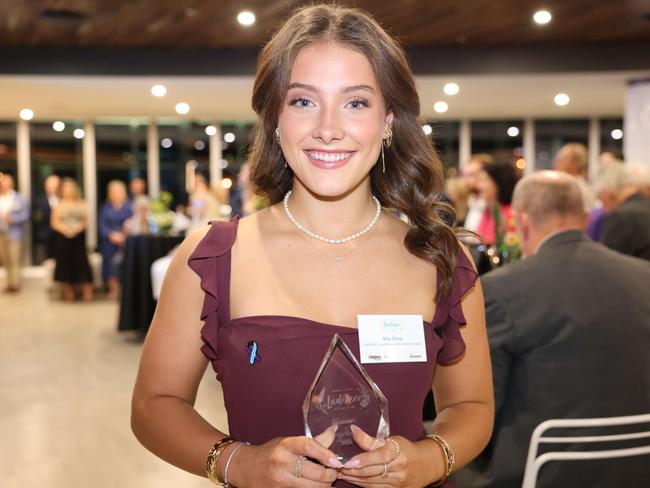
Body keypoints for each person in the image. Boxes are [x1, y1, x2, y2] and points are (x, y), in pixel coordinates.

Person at [131, 5, 493, 488]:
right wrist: (239, 462)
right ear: (275, 120)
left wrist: (429, 460)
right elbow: (154, 406)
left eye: (356, 103)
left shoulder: (441, 259)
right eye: (303, 101)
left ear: (388, 120)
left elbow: (471, 406)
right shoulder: (215, 257)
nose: (328, 128)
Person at [455, 171, 650, 488]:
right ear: (586, 218)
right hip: (638, 463)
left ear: (523, 222)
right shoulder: (644, 276)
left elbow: (481, 406)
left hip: (540, 470)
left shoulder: (503, 290)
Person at [594, 163, 650, 260]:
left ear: (607, 193)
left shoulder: (619, 218)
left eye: (600, 198)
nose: (603, 208)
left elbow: (607, 263)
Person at [50, 178, 93, 302]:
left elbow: (85, 221)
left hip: (78, 239)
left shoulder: (81, 203)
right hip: (63, 239)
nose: (68, 191)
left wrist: (76, 230)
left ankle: (87, 292)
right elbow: (54, 222)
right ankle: (69, 292)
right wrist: (66, 230)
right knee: (65, 264)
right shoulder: (58, 204)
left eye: (70, 188)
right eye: (65, 189)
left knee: (82, 264)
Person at [99, 180, 132, 299]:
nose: (117, 193)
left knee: (124, 265)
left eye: (119, 190)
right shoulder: (105, 207)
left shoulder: (130, 206)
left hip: (126, 242)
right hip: (109, 242)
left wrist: (124, 235)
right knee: (109, 266)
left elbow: (134, 223)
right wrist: (111, 235)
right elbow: (102, 225)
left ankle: (125, 291)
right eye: (114, 191)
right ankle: (113, 291)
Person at [0, 173, 29, 292]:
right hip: (1, 234)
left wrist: (13, 219)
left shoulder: (19, 198)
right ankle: (8, 284)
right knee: (5, 260)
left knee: (15, 259)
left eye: (8, 181)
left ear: (12, 183)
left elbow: (25, 215)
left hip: (15, 234)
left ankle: (15, 284)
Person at [476, 163, 518, 245]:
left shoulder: (511, 215)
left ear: (498, 183)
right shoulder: (488, 211)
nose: (478, 185)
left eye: (484, 180)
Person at [462, 154, 494, 233]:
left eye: (471, 175)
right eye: (464, 175)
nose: (465, 180)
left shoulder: (493, 207)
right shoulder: (472, 202)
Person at [32, 174, 60, 264]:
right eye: (50, 187)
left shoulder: (64, 200)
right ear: (45, 187)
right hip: (43, 237)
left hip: (61, 237)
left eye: (55, 187)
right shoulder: (38, 201)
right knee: (43, 262)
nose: (53, 189)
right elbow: (35, 218)